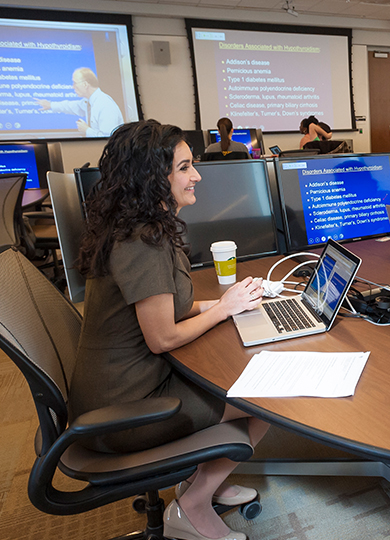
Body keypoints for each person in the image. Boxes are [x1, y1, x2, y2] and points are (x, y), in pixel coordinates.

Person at [71, 120, 270, 540]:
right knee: (265, 399)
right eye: (184, 167)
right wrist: (222, 312)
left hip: (125, 384)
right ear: (151, 177)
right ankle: (194, 505)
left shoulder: (140, 226)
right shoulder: (142, 241)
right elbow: (161, 337)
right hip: (124, 410)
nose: (196, 175)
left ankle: (200, 482)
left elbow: (164, 306)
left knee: (232, 376)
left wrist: (218, 303)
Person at [34, 67, 124, 137]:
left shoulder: (105, 105)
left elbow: (109, 137)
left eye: (75, 83)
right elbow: (71, 106)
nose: (73, 87)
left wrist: (87, 130)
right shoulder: (89, 102)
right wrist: (51, 105)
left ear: (85, 84)